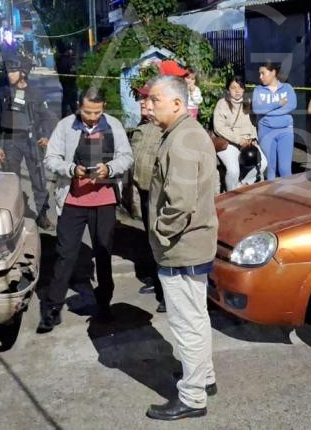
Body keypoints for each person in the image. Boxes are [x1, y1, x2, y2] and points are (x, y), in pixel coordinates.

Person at [145, 74, 219, 421]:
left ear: (177, 103)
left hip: (182, 246)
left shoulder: (182, 139)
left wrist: (160, 233)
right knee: (196, 317)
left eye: (155, 100)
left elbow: (180, 202)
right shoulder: (184, 133)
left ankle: (192, 397)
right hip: (191, 243)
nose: (148, 106)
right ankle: (203, 378)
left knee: (187, 324)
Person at [39, 88, 133, 333]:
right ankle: (52, 307)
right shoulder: (65, 126)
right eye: (87, 112)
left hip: (104, 201)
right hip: (73, 201)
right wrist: (71, 169)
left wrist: (109, 169)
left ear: (103, 108)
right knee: (65, 254)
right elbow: (51, 158)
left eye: (97, 112)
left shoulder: (113, 125)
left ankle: (104, 304)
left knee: (103, 252)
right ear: (79, 107)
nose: (92, 117)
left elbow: (126, 157)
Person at [0, 60, 55, 227]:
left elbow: (46, 117)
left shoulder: (35, 94)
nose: (9, 75)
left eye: (13, 71)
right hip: (10, 141)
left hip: (32, 140)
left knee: (39, 180)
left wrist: (46, 136)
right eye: (8, 72)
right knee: (10, 180)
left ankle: (42, 214)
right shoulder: (3, 94)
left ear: (23, 73)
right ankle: (15, 214)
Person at [128, 83, 165, 313]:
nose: (142, 102)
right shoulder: (142, 127)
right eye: (141, 98)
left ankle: (166, 293)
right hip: (144, 191)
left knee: (162, 240)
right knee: (150, 238)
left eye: (147, 99)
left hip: (159, 194)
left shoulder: (165, 129)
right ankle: (156, 278)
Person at [212, 76, 258, 192]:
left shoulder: (248, 102)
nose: (237, 91)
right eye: (233, 88)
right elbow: (218, 128)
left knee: (262, 164)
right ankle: (231, 194)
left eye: (240, 87)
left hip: (247, 141)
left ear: (244, 89)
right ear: (228, 89)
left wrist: (253, 138)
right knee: (233, 171)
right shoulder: (222, 103)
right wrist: (238, 140)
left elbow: (253, 124)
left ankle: (242, 185)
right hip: (229, 142)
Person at [252, 62, 297, 180]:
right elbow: (257, 109)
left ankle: (287, 191)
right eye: (259, 74)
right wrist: (278, 103)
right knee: (270, 170)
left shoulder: (287, 88)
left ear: (273, 72)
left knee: (285, 169)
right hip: (266, 131)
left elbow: (292, 105)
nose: (260, 77)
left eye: (263, 73)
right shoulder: (258, 90)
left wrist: (267, 111)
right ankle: (271, 192)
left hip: (285, 131)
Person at [56, 44, 79, 117]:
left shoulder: (59, 60)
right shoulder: (69, 60)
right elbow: (73, 70)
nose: (72, 51)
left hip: (63, 82)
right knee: (72, 100)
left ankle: (64, 115)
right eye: (70, 50)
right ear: (68, 51)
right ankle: (75, 114)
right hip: (70, 82)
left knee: (65, 100)